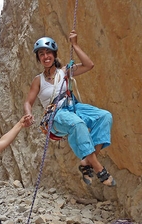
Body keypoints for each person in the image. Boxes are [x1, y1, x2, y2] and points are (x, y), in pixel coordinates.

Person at [23, 30, 116, 187]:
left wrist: (75, 45)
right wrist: (28, 114)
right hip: (55, 115)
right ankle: (99, 168)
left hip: (73, 107)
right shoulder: (38, 80)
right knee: (77, 124)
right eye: (41, 54)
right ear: (38, 58)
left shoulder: (65, 71)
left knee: (105, 116)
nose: (45, 57)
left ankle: (87, 161)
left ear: (54, 55)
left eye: (48, 53)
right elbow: (28, 102)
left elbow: (89, 65)